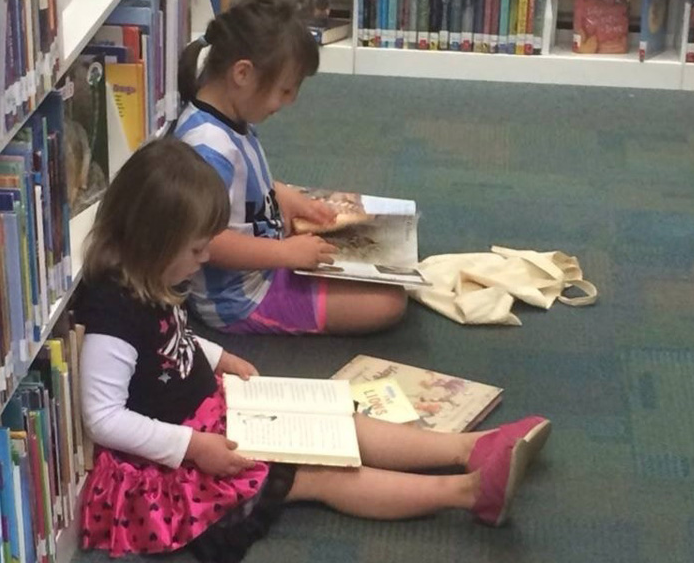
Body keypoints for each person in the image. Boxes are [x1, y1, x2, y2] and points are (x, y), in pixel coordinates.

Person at [77, 139, 553, 562]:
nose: (205, 261)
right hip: (169, 465)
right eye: (197, 251)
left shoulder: (152, 276)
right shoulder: (112, 315)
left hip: (206, 417)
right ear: (153, 243)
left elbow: (167, 342)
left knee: (333, 421)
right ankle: (469, 492)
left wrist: (217, 357)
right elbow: (104, 417)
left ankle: (470, 448)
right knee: (320, 471)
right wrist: (194, 447)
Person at [173, 0, 406, 336]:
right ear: (242, 73)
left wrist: (287, 197)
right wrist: (285, 253)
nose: (289, 102)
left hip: (267, 260)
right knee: (388, 302)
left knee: (383, 277)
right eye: (284, 90)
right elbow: (211, 242)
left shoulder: (229, 118)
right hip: (241, 299)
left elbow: (241, 185)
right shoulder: (208, 147)